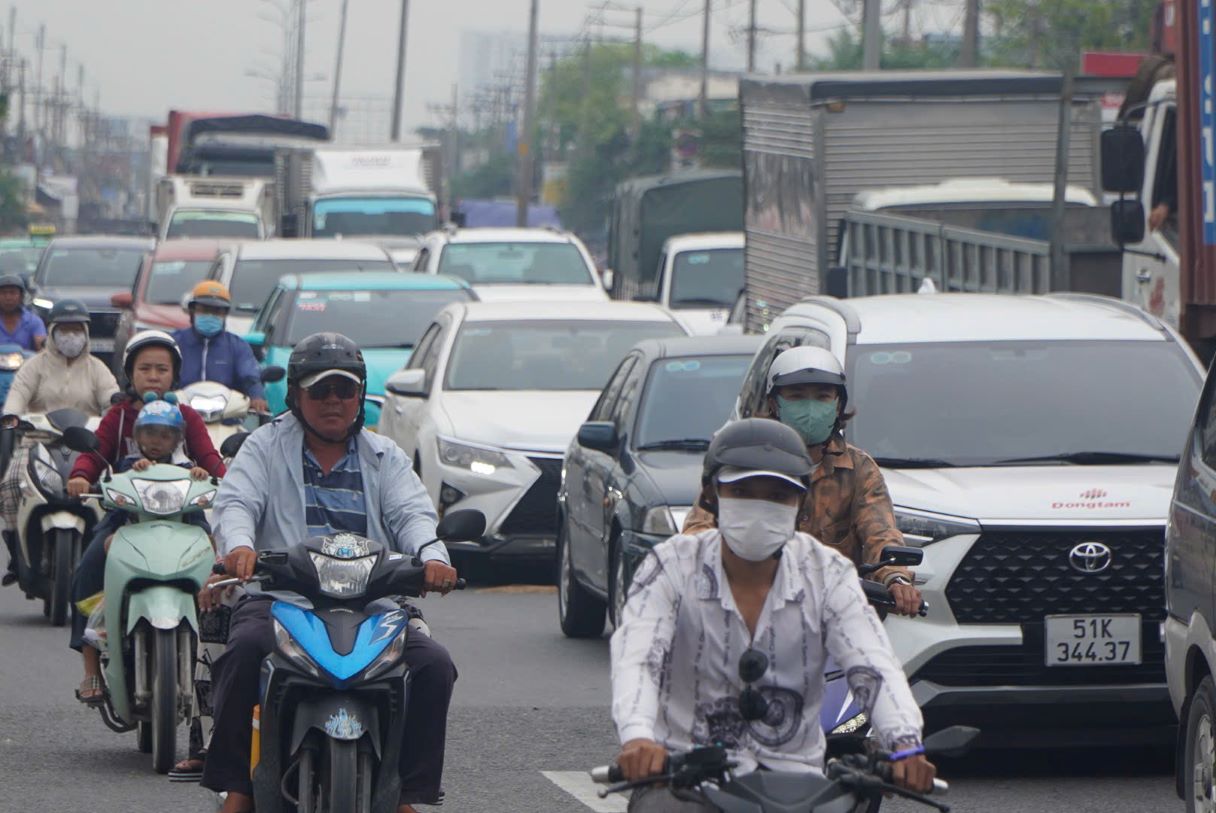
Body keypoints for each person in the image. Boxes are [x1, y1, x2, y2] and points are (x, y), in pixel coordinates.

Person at [612, 419, 933, 812]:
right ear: (712, 496)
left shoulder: (828, 572)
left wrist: (904, 743)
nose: (760, 507)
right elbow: (638, 658)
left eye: (778, 495)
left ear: (800, 504)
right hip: (684, 780)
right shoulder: (670, 566)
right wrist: (638, 738)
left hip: (800, 783)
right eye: (742, 491)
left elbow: (872, 664)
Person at [201, 332, 460, 813]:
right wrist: (239, 547)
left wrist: (433, 558)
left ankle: (407, 793)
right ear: (295, 396)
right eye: (320, 390)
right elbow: (236, 503)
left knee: (433, 665)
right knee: (244, 651)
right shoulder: (263, 447)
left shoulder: (385, 455)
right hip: (283, 600)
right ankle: (238, 786)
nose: (333, 401)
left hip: (374, 605)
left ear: (360, 396)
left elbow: (413, 515)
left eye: (345, 390)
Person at [683, 346, 923, 617]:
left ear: (838, 404)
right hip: (753, 610)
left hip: (836, 615)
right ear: (774, 403)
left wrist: (896, 578)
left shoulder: (859, 469)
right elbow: (699, 530)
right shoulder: (743, 463)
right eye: (797, 396)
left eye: (822, 397)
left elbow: (881, 534)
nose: (810, 408)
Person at [70, 394, 214, 704]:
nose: (156, 441)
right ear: (137, 437)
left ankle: (212, 628)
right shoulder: (128, 463)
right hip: (127, 525)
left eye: (165, 435)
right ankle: (93, 660)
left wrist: (203, 475)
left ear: (177, 438)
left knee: (216, 555)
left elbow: (211, 466)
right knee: (93, 562)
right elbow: (97, 464)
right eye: (149, 434)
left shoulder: (187, 464)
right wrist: (82, 476)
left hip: (186, 525)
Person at [0, 299, 119, 586]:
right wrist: (12, 415)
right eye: (64, 329)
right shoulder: (34, 366)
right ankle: (17, 553)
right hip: (38, 440)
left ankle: (107, 555)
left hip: (87, 445)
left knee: (114, 491)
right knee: (10, 485)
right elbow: (17, 396)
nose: (71, 336)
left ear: (86, 333)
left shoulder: (97, 369)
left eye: (77, 329)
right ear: (52, 331)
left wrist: (115, 407)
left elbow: (111, 399)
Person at [172, 280, 269, 414]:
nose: (210, 315)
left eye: (217, 311)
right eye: (205, 309)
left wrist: (256, 396)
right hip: (178, 416)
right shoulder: (174, 343)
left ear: (225, 314)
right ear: (192, 311)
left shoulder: (237, 346)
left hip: (227, 418)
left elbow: (249, 376)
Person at [0, 273, 45, 351]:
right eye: (3, 293)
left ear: (21, 296)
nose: (8, 298)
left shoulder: (33, 321)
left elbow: (42, 347)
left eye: (12, 293)